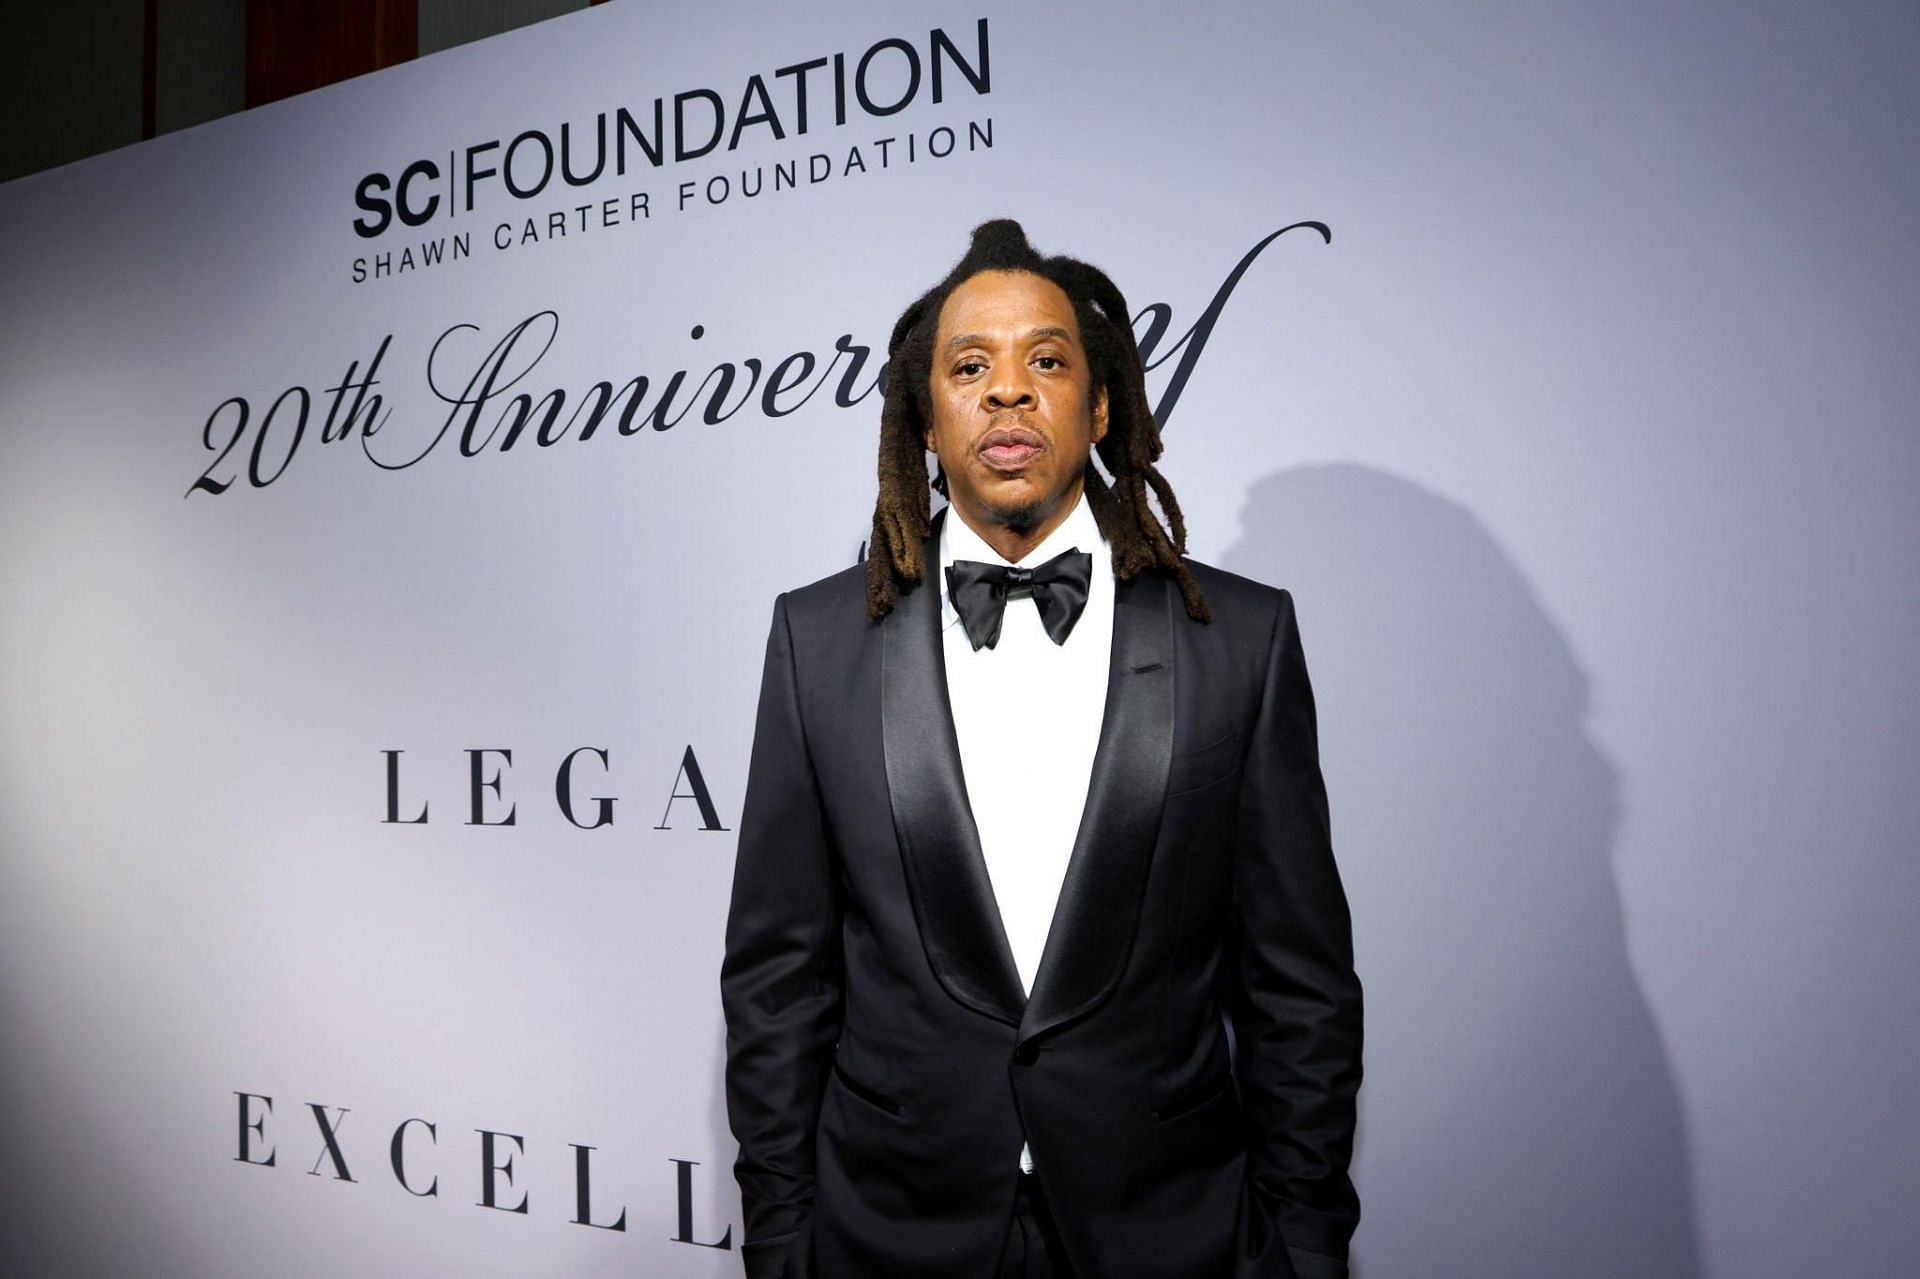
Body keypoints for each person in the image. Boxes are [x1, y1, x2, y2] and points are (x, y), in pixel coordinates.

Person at [720, 219, 1362, 1278]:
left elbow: (1300, 989)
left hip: (1176, 1239)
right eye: (969, 366)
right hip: (885, 1240)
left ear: (1100, 404)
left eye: (1046, 361)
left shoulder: (1241, 639)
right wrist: (784, 1241)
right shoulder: (815, 640)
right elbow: (778, 980)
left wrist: (1301, 1247)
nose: (1007, 391)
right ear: (927, 417)